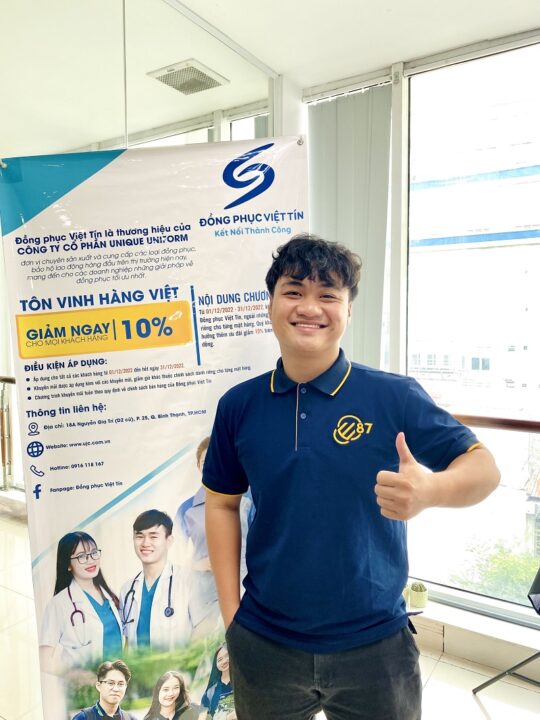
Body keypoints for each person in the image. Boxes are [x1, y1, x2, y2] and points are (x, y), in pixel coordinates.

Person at [203, 234, 501, 720]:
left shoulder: (393, 396)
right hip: (265, 642)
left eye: (328, 294)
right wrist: (232, 615)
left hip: (376, 646)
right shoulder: (239, 405)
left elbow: (484, 468)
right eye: (294, 291)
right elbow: (220, 502)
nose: (309, 307)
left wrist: (431, 490)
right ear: (270, 304)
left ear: (347, 310)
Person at [176, 438, 254, 635]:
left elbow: (263, 544)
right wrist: (196, 564)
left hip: (245, 590)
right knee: (207, 649)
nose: (212, 466)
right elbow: (174, 558)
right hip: (205, 597)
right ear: (198, 466)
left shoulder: (248, 500)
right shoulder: (186, 509)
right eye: (205, 462)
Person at [40, 531, 122, 673]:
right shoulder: (59, 604)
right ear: (68, 564)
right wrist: (79, 677)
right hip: (86, 684)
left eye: (93, 553)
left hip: (118, 681)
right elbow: (44, 660)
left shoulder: (110, 595)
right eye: (81, 556)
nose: (90, 560)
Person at [120, 509, 193, 651]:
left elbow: (202, 633)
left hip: (178, 665)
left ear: (169, 541)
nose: (145, 543)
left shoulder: (188, 581)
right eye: (139, 536)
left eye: (153, 536)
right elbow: (127, 641)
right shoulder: (127, 590)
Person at [72, 659, 136, 720]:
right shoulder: (83, 718)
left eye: (120, 684)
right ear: (99, 686)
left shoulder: (130, 718)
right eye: (110, 683)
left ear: (126, 686)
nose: (116, 689)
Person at [198, 644, 236, 720]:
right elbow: (202, 717)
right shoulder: (210, 692)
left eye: (227, 656)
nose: (224, 661)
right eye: (219, 660)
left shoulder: (243, 684)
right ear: (215, 665)